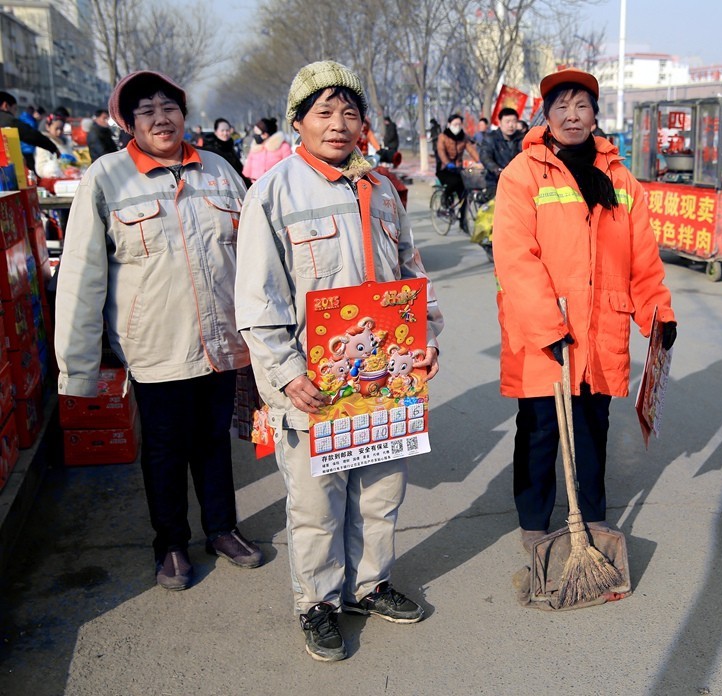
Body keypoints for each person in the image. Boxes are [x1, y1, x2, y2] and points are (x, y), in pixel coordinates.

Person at [235, 61, 443, 663]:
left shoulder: (380, 189)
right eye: (323, 112)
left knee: (380, 492)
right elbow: (258, 297)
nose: (338, 124)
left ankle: (369, 585)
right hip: (312, 384)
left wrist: (427, 335)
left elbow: (412, 272)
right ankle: (319, 602)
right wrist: (285, 371)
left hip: (385, 378)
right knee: (316, 501)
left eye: (349, 112)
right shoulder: (272, 193)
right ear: (298, 122)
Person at [54, 70, 263, 592]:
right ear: (128, 122)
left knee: (214, 441)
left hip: (221, 341)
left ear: (183, 114)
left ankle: (222, 529)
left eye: (167, 106)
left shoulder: (218, 170)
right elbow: (81, 276)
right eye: (144, 109)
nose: (159, 117)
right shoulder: (106, 177)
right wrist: (77, 368)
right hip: (154, 345)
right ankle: (170, 542)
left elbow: (257, 254)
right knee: (165, 447)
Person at [492, 68, 677, 552]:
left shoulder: (620, 179)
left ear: (596, 114)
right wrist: (546, 325)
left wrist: (659, 316)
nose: (572, 116)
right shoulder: (523, 174)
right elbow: (515, 256)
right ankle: (534, 525)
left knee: (594, 429)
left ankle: (592, 518)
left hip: (600, 329)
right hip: (542, 334)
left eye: (582, 106)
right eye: (562, 107)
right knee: (539, 429)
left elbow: (643, 258)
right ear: (546, 115)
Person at [436, 113, 478, 231]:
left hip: (458, 169)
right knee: (453, 182)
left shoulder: (463, 137)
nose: (457, 126)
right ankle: (445, 198)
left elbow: (471, 150)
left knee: (465, 193)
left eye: (459, 124)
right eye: (455, 124)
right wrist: (447, 162)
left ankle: (462, 222)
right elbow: (441, 151)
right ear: (449, 125)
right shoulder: (443, 136)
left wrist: (479, 161)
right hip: (444, 169)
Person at [0, 91, 60, 172]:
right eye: (14, 109)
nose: (14, 113)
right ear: (5, 105)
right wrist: (53, 148)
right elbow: (31, 135)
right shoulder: (6, 119)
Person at [479, 107, 524, 198]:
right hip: (495, 181)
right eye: (507, 122)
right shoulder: (490, 138)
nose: (511, 125)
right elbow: (485, 157)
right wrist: (497, 170)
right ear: (500, 123)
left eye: (514, 121)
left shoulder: (522, 138)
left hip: (518, 181)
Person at [200, 117, 250, 186]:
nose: (225, 133)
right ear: (216, 132)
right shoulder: (210, 149)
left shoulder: (230, 146)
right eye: (222, 130)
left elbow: (238, 169)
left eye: (227, 130)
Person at [243, 116, 292, 182]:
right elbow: (248, 167)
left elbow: (289, 167)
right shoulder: (255, 147)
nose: (255, 135)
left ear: (265, 134)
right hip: (256, 184)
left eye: (258, 133)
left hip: (276, 184)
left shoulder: (283, 146)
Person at [34, 113, 76, 179]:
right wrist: (55, 167)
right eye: (56, 129)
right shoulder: (43, 143)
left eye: (61, 129)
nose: (59, 132)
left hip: (67, 177)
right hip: (51, 179)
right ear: (48, 127)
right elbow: (40, 168)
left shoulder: (66, 142)